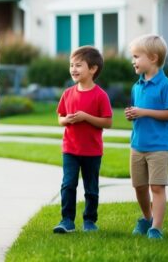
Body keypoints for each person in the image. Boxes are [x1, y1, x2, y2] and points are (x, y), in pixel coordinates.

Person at [53, 46, 113, 234]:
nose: (73, 69)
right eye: (71, 65)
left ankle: (89, 221)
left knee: (91, 188)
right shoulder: (68, 93)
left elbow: (108, 122)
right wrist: (66, 120)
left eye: (78, 65)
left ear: (93, 69)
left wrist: (86, 117)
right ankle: (67, 220)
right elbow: (60, 117)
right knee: (68, 184)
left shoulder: (100, 95)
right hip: (70, 149)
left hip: (92, 151)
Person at [125, 34, 168, 239]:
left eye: (137, 56)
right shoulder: (136, 86)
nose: (133, 61)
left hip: (159, 147)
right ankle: (146, 218)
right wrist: (132, 114)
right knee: (139, 186)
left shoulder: (166, 86)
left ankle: (156, 227)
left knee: (157, 187)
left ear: (153, 58)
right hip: (137, 145)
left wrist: (144, 111)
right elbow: (137, 110)